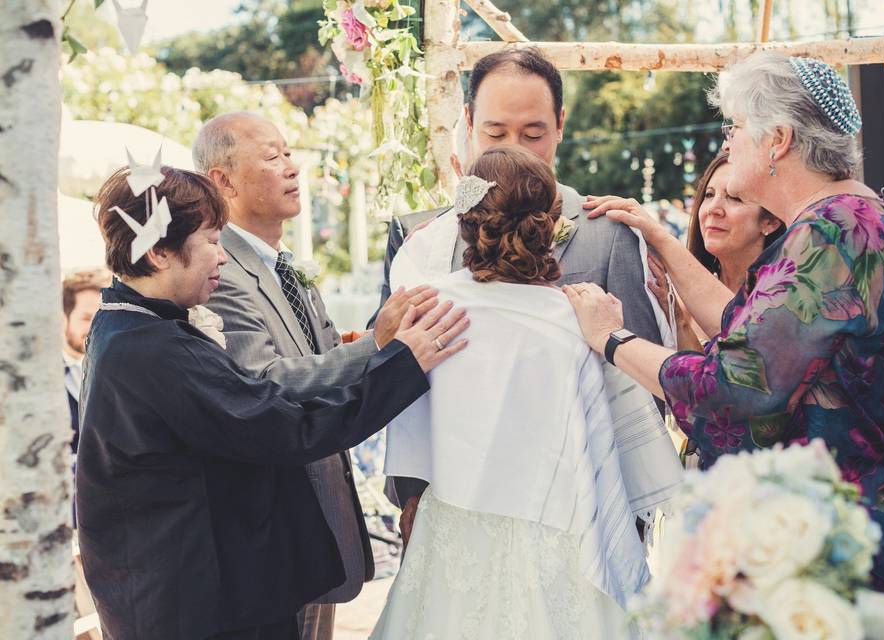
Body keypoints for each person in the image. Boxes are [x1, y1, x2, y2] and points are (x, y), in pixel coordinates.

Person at [566, 52, 884, 596]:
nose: (727, 143)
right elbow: (750, 329)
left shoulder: (829, 239)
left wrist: (610, 339)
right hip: (856, 531)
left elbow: (733, 384)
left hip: (831, 550)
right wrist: (663, 239)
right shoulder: (859, 217)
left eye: (734, 127)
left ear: (777, 140)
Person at [77, 166, 466, 639]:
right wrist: (403, 366)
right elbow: (285, 427)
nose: (222, 258)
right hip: (198, 603)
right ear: (159, 252)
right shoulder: (153, 349)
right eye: (211, 241)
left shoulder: (125, 322)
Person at [371, 146, 680, 639]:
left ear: (464, 222)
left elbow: (407, 416)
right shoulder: (580, 318)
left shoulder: (429, 307)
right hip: (559, 527)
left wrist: (410, 494)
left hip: (453, 523)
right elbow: (607, 431)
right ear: (550, 223)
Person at [375, 48, 667, 541]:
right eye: (495, 133)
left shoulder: (609, 233)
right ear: (467, 123)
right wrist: (409, 491)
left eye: (533, 134)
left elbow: (641, 378)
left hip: (583, 516)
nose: (515, 150)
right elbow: (398, 378)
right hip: (456, 506)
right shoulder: (422, 238)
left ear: (560, 125)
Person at [193, 112, 440, 639]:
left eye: (288, 153)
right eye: (272, 156)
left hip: (321, 521)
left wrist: (379, 335)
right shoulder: (220, 271)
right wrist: (381, 345)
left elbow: (325, 353)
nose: (292, 166)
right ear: (223, 180)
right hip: (278, 528)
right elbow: (265, 381)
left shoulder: (282, 263)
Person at [647, 152, 784, 352]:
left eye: (734, 198)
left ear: (770, 221)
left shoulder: (782, 298)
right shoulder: (673, 298)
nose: (713, 208)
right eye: (709, 195)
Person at [61, 268, 109, 456]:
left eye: (99, 318)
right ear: (63, 319)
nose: (94, 328)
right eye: (86, 318)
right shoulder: (39, 377)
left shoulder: (111, 370)